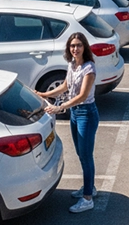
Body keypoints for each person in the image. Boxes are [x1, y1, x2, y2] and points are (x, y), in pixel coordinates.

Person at [36, 32, 100, 213]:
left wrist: (59, 107)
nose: (75, 49)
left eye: (79, 45)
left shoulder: (89, 68)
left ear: (84, 47)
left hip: (86, 114)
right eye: (72, 46)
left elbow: (82, 96)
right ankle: (90, 188)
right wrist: (45, 94)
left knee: (86, 156)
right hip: (75, 113)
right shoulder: (72, 65)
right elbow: (65, 86)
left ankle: (88, 199)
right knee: (82, 154)